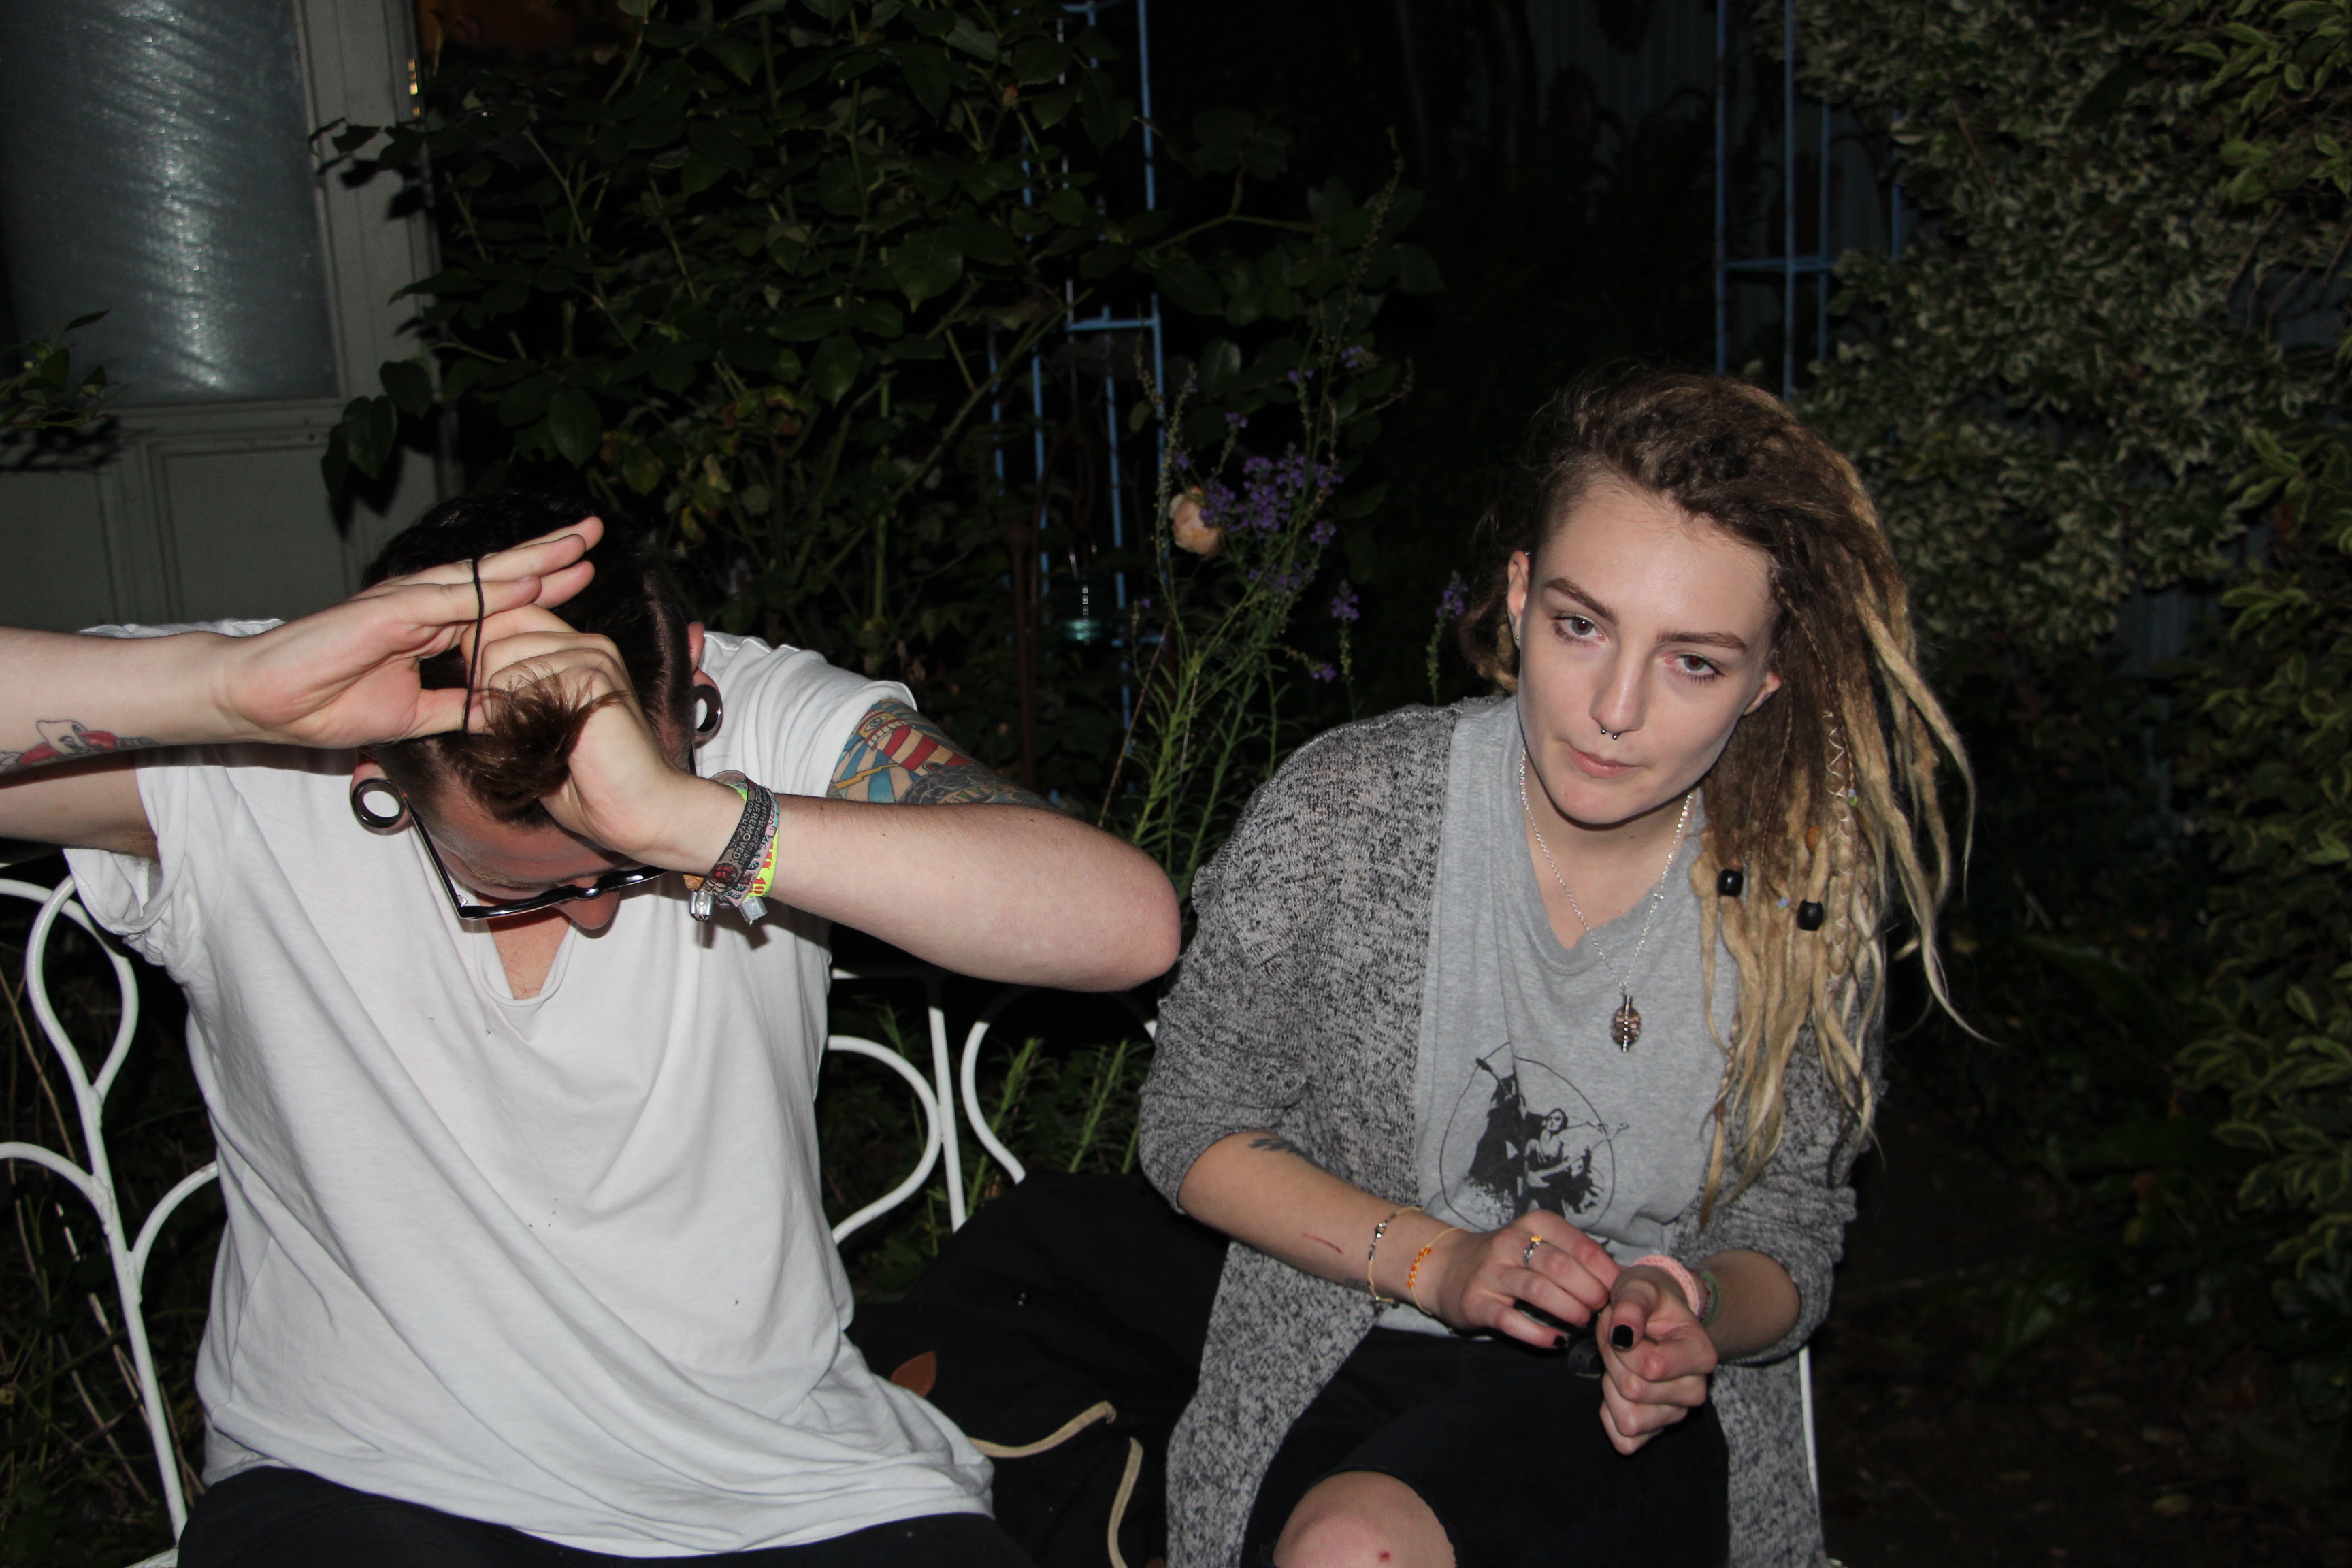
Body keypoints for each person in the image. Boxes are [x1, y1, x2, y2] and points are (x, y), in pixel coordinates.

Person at [0, 491, 1181, 1566]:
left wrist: (686, 821)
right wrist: (221, 688)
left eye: (623, 866)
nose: (603, 911)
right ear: (377, 770)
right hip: (365, 1478)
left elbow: (1127, 926)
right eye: (508, 884)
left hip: (783, 1482)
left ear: (694, 685)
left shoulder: (760, 720)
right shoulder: (262, 748)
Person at [1137, 368, 1967, 1568]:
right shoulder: (1349, 813)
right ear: (1520, 597)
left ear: (1768, 677)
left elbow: (1792, 1235)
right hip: (1343, 1354)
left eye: (1695, 662)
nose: (1615, 709)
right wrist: (1442, 1263)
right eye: (1583, 626)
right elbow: (1191, 1124)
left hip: (1625, 1422)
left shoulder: (1802, 904)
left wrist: (1693, 1308)